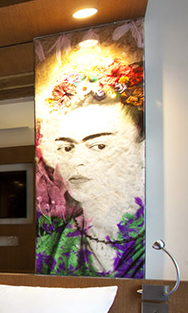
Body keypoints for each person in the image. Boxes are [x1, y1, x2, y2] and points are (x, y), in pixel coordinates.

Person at [35, 58, 145, 278]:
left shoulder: (157, 244)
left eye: (99, 146)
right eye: (66, 148)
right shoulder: (48, 248)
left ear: (140, 147)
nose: (76, 161)